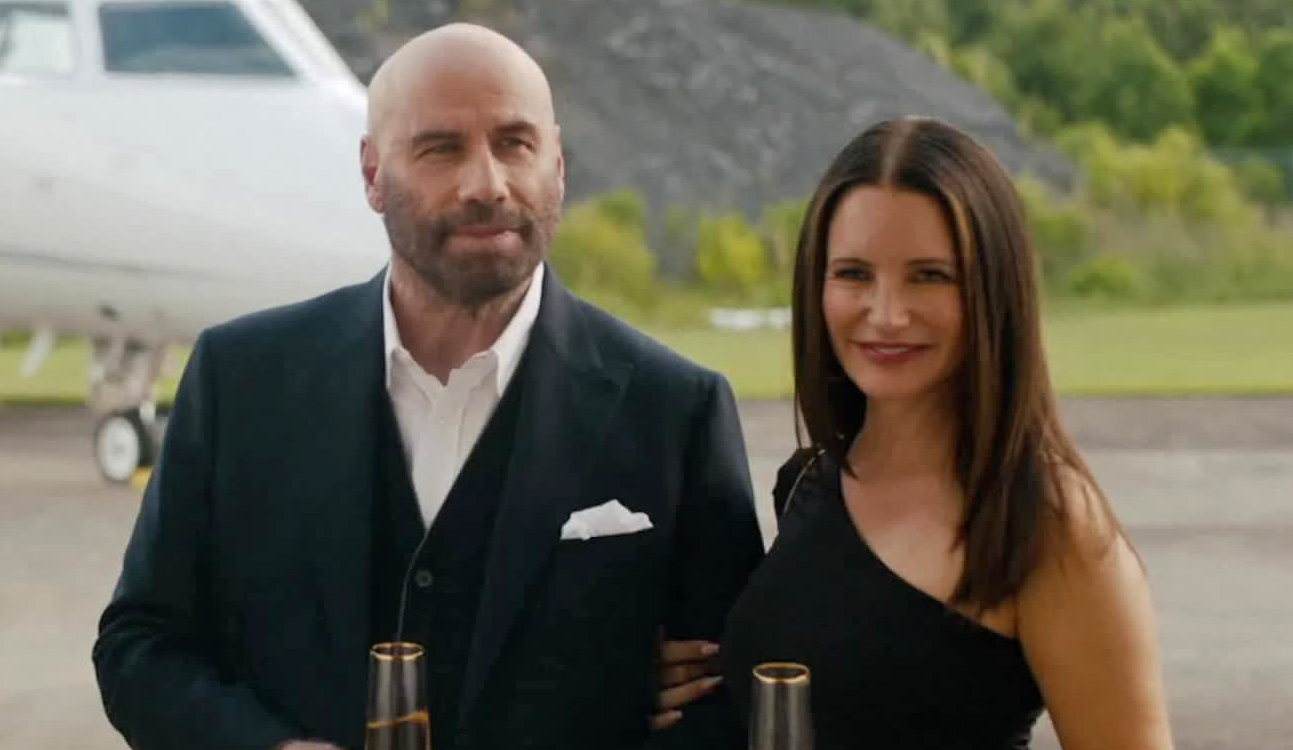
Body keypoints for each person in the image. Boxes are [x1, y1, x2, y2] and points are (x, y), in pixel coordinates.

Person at [92, 22, 765, 750]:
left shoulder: (677, 411)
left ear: (559, 165)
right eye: (441, 148)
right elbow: (140, 646)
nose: (487, 184)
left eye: (515, 143)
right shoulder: (239, 381)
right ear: (372, 174)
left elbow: (724, 700)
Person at [652, 117, 1175, 749]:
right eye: (854, 273)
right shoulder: (811, 480)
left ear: (994, 290)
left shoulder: (1049, 527)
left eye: (930, 275)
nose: (887, 314)